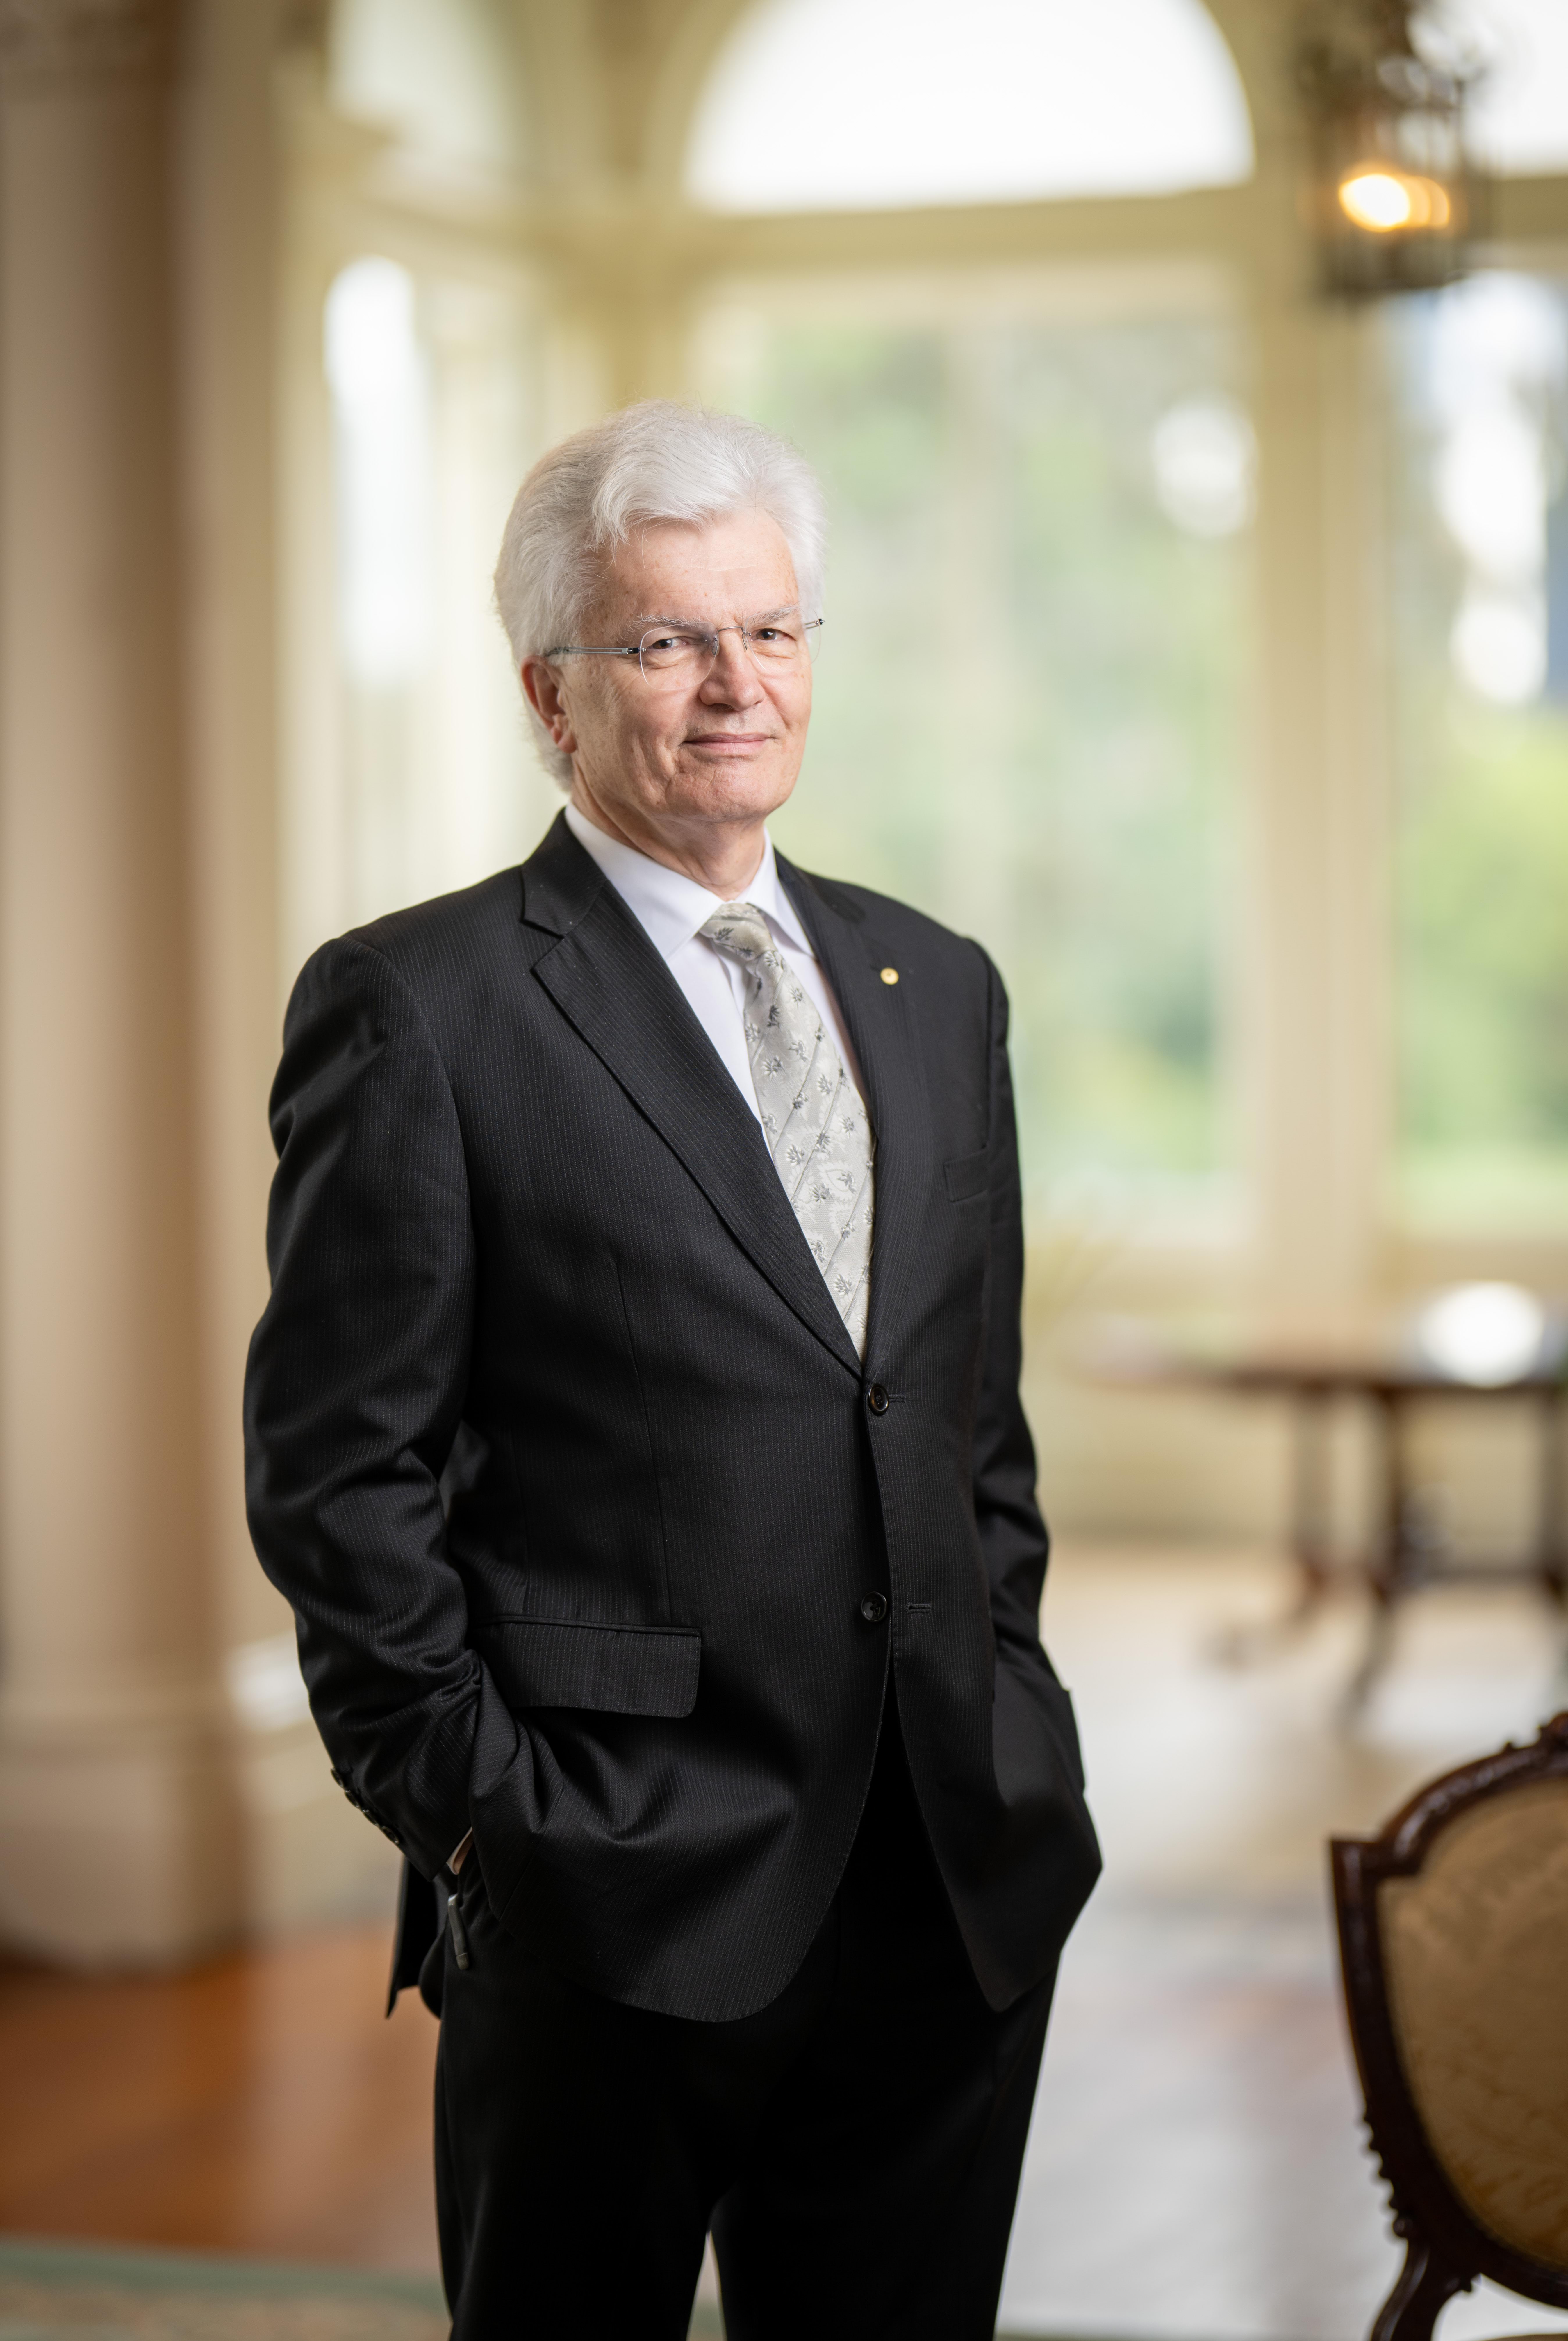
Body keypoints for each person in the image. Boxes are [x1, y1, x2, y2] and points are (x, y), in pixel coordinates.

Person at [244, 399, 1100, 2340]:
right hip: (606, 1883)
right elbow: (333, 1478)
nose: (737, 685)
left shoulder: (935, 980)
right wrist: (483, 1822)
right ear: (551, 692)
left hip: (949, 1878)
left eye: (773, 631)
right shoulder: (420, 1007)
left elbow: (969, 1419)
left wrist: (1015, 1713)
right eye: (667, 642)